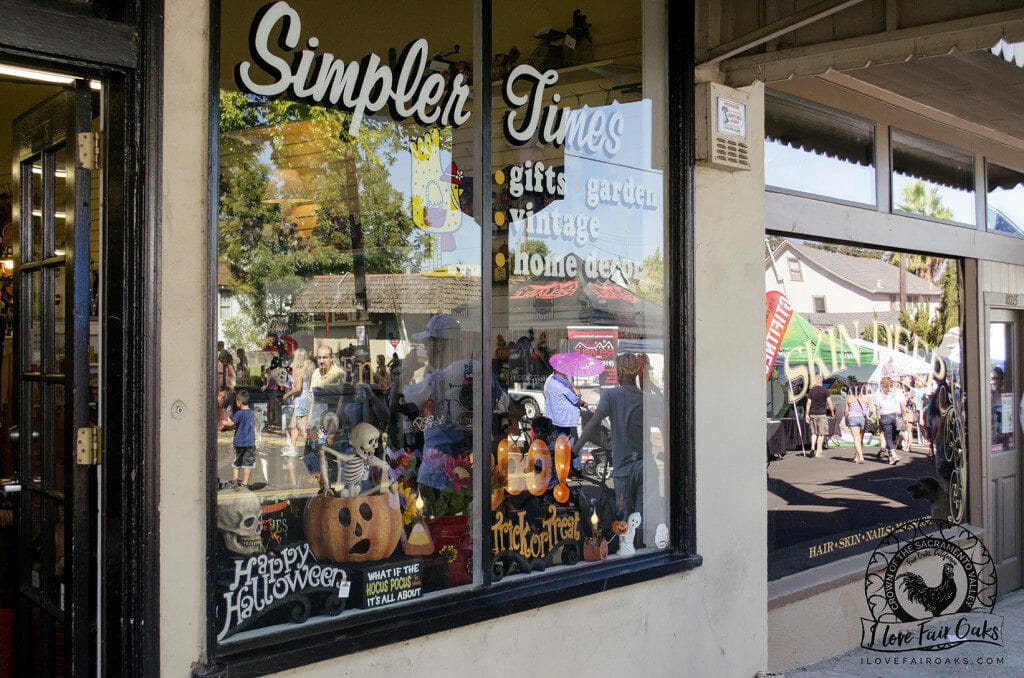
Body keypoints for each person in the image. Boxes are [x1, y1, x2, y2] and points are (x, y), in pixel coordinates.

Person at [573, 353, 651, 523]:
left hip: (623, 468)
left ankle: (627, 548)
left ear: (620, 373)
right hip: (645, 465)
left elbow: (593, 424)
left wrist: (575, 450)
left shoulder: (611, 396)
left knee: (623, 517)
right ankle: (642, 547)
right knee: (641, 518)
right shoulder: (645, 398)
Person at [281, 348, 312, 457]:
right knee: (293, 425)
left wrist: (287, 394)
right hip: (305, 399)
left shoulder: (299, 370)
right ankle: (292, 448)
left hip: (301, 400)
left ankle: (311, 450)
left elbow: (298, 388)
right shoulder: (308, 369)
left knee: (302, 427)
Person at [543, 365, 584, 444]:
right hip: (564, 419)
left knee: (556, 441)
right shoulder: (561, 383)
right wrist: (578, 392)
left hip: (554, 417)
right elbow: (574, 399)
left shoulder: (550, 381)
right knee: (563, 443)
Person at [874, 376, 906, 464]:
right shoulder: (898, 391)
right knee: (895, 436)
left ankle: (893, 454)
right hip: (897, 415)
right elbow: (903, 405)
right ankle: (891, 455)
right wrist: (905, 416)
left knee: (888, 437)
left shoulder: (878, 392)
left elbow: (877, 408)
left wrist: (878, 418)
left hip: (885, 416)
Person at [230, 389, 257, 487]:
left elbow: (231, 423)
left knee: (237, 461)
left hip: (239, 442)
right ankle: (245, 483)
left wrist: (222, 422)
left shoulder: (239, 413)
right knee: (248, 464)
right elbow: (256, 426)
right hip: (250, 442)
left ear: (239, 402)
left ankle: (235, 480)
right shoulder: (252, 413)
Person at [804, 374, 834, 458]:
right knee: (821, 433)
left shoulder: (811, 391)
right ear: (821, 381)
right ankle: (818, 452)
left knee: (814, 433)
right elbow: (829, 402)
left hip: (813, 413)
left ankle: (812, 446)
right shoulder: (825, 391)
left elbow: (808, 403)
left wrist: (807, 414)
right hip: (822, 414)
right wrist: (832, 412)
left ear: (816, 381)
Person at [843, 385, 871, 464]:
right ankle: (857, 456)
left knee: (856, 438)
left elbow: (846, 411)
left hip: (853, 418)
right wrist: (868, 415)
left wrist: (846, 418)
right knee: (860, 438)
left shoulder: (849, 398)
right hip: (863, 418)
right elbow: (871, 410)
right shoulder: (867, 398)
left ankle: (860, 456)